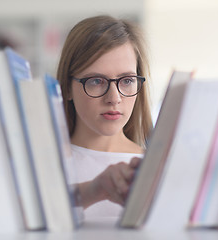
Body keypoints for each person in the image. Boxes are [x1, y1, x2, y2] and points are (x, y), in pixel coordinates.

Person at [56, 15, 153, 220]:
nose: (114, 98)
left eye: (127, 80)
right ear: (67, 88)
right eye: (96, 81)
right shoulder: (44, 165)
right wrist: (93, 191)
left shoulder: (155, 167)